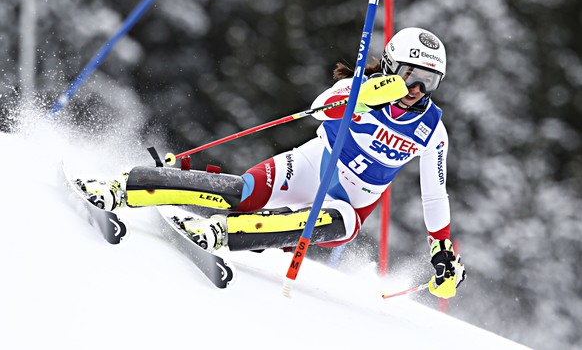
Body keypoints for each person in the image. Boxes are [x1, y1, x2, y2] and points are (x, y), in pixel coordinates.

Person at [77, 27, 466, 299]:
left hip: (348, 203)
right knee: (244, 193)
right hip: (311, 165)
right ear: (391, 67)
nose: (416, 90)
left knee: (335, 225)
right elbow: (319, 109)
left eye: (429, 82)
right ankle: (125, 187)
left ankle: (219, 234)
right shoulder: (360, 89)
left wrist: (442, 249)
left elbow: (434, 195)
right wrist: (362, 96)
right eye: (411, 75)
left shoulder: (432, 130)